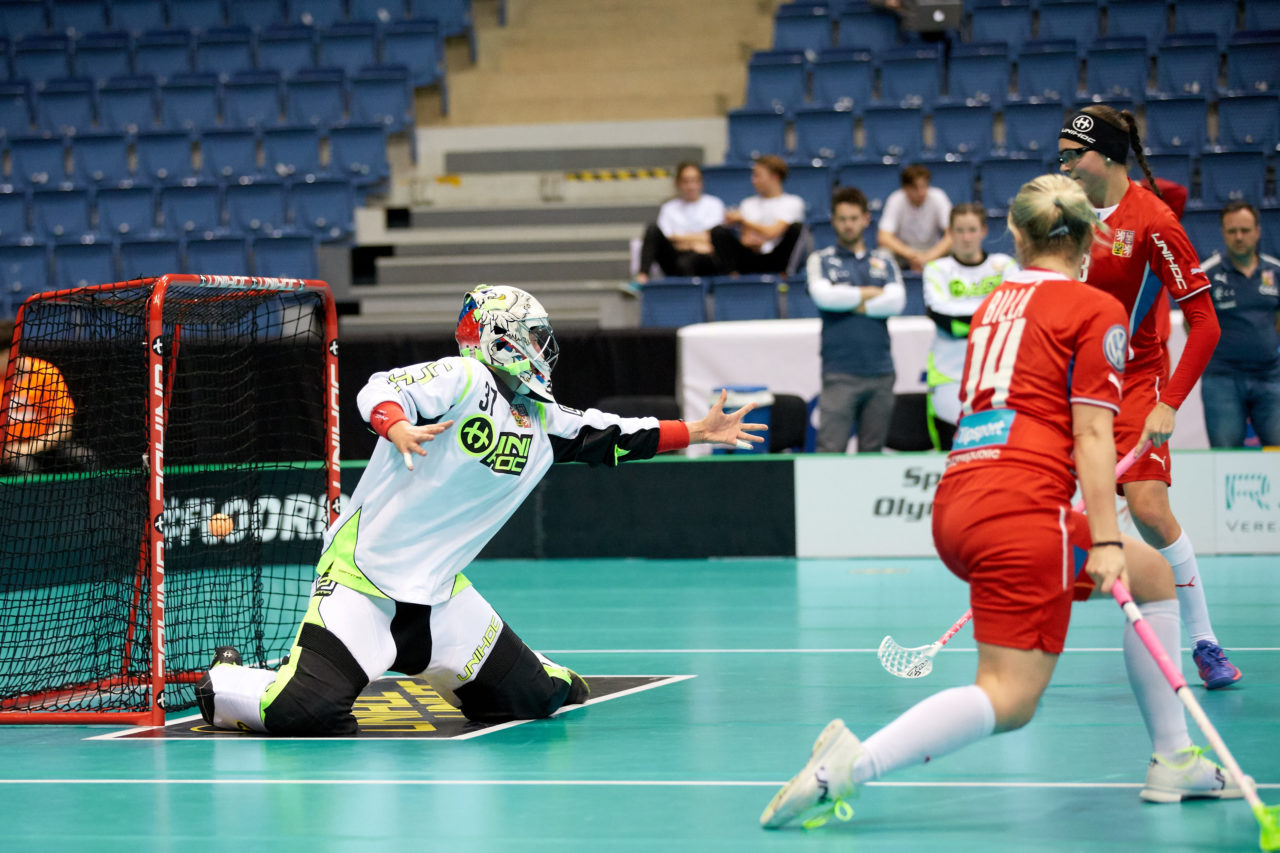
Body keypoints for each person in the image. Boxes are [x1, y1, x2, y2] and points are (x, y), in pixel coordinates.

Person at [760, 174, 1243, 832]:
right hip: (1019, 513)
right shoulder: (1096, 309)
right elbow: (1094, 431)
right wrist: (1102, 536)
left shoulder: (993, 302)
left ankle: (1172, 760)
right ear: (1092, 237)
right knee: (1010, 698)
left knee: (1152, 573)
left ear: (1015, 237)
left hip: (960, 500)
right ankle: (851, 764)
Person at [194, 285, 765, 735]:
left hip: (440, 599)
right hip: (361, 583)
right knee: (303, 712)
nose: (543, 350)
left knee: (541, 700)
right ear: (498, 339)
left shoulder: (545, 421)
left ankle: (530, 670)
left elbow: (617, 433)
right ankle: (225, 678)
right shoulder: (462, 377)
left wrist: (695, 430)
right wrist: (396, 425)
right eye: (532, 337)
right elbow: (378, 387)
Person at [1057, 104, 1240, 689]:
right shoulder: (1063, 210)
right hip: (1076, 384)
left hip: (1136, 382)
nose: (1062, 164)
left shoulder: (1155, 220)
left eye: (1071, 154)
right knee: (1049, 514)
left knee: (1151, 509)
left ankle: (1205, 643)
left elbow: (1205, 321)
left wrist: (1170, 402)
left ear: (1106, 155)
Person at [808, 186, 906, 454]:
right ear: (833, 221)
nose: (848, 225)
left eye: (853, 218)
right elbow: (824, 298)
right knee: (830, 449)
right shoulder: (821, 260)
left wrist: (848, 301)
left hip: (881, 371)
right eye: (842, 219)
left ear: (865, 219)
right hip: (840, 371)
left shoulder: (884, 260)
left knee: (872, 452)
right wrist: (871, 294)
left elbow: (896, 303)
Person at [922, 203, 1018, 450]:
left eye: (972, 230)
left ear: (984, 231)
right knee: (950, 455)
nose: (966, 237)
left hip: (997, 375)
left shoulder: (1004, 265)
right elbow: (939, 314)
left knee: (993, 453)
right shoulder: (936, 269)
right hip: (948, 374)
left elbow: (1013, 312)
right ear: (950, 234)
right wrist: (991, 318)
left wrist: (959, 322)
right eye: (960, 230)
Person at [1200, 201, 1280, 447]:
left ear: (1258, 231)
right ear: (1223, 233)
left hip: (1270, 376)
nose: (1239, 237)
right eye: (1232, 231)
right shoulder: (1207, 274)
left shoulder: (1275, 271)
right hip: (1222, 378)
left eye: (1245, 230)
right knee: (1225, 457)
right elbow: (1192, 325)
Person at [0, 318, 79, 474]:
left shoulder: (45, 373)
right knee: (24, 466)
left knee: (83, 458)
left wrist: (29, 447)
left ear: (11, 352)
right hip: (7, 451)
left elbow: (64, 427)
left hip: (45, 445)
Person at [710, 154, 806, 275]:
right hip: (751, 256)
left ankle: (786, 275)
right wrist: (750, 241)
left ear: (774, 177)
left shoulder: (793, 202)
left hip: (777, 258)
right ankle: (733, 277)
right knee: (719, 231)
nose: (753, 180)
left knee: (797, 228)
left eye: (757, 175)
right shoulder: (747, 203)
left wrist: (743, 220)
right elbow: (746, 237)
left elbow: (772, 232)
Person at [636, 161, 726, 282]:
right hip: (676, 259)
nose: (690, 186)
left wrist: (680, 238)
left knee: (694, 258)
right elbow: (667, 238)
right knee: (652, 229)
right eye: (686, 181)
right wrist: (695, 243)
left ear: (701, 182)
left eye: (694, 180)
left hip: (704, 261)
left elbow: (715, 237)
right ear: (678, 183)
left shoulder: (714, 204)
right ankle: (641, 279)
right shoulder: (668, 207)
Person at [876, 163, 953, 272]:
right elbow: (883, 237)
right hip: (904, 254)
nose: (921, 192)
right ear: (905, 188)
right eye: (915, 188)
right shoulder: (896, 199)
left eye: (924, 186)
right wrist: (912, 255)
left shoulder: (938, 197)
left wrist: (928, 257)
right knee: (882, 254)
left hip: (933, 252)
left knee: (958, 247)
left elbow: (952, 234)